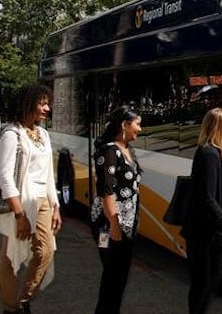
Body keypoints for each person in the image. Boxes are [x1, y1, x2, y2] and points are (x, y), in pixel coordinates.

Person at [0, 84, 62, 314]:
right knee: (10, 256)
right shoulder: (12, 135)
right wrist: (19, 214)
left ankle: (24, 298)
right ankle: (11, 307)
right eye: (42, 103)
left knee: (46, 251)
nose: (46, 108)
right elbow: (5, 177)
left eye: (47, 103)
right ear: (27, 104)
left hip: (42, 201)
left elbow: (48, 173)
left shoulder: (43, 134)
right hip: (19, 204)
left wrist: (56, 206)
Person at [181, 107, 222, 314]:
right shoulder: (210, 155)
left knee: (205, 284)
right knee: (205, 284)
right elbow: (207, 196)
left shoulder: (210, 152)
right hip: (207, 234)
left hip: (205, 232)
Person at [90, 106, 142, 314]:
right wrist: (114, 224)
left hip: (126, 225)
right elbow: (107, 191)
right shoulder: (110, 151)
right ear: (124, 125)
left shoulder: (128, 149)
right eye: (137, 123)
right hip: (108, 225)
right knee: (112, 275)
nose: (140, 128)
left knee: (119, 277)